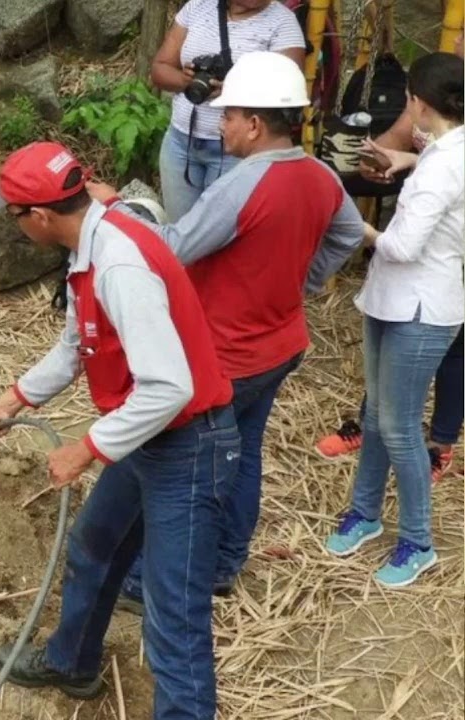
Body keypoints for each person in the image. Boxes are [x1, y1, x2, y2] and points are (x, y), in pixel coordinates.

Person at [88, 52, 364, 609]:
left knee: (179, 468)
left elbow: (173, 248)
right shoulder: (319, 175)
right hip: (279, 345)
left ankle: (146, 580)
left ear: (256, 124)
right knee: (243, 454)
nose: (221, 123)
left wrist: (117, 206)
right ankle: (224, 562)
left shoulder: (243, 186)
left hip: (224, 354)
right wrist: (302, 282)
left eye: (230, 114)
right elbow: (349, 233)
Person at [0, 141, 237, 720]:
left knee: (174, 617)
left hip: (188, 446)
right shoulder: (88, 248)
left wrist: (87, 449)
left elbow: (169, 387)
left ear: (39, 217)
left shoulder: (119, 264)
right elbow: (75, 347)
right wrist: (13, 399)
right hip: (147, 436)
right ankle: (72, 663)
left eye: (16, 214)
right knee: (95, 547)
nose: (17, 224)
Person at [325, 52, 464, 588]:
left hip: (418, 307)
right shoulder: (447, 149)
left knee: (401, 429)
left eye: (409, 98)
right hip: (396, 299)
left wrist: (351, 225)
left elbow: (403, 245)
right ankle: (364, 512)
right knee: (380, 416)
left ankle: (418, 541)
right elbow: (434, 166)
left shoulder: (444, 167)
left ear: (421, 104)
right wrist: (404, 161)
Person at [150, 0, 304, 221]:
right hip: (181, 143)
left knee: (224, 235)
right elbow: (159, 68)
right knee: (180, 231)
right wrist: (186, 81)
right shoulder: (197, 7)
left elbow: (288, 95)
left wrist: (235, 89)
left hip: (240, 151)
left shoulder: (282, 22)